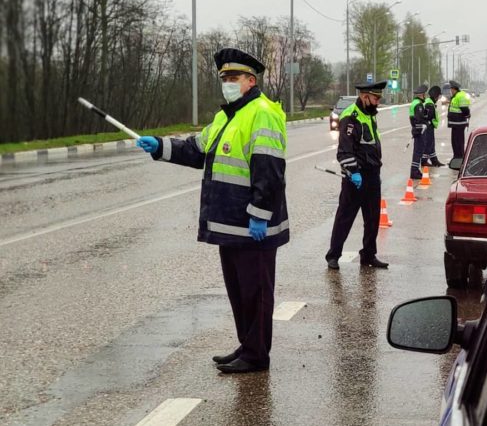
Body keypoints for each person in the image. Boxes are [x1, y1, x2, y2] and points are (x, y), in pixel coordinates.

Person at [135, 48, 289, 374]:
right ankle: (248, 346)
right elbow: (196, 150)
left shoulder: (262, 112)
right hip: (230, 224)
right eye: (224, 78)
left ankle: (257, 355)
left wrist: (259, 215)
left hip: (252, 224)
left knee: (256, 292)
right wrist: (160, 146)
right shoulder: (226, 116)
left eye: (234, 78)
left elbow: (270, 170)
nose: (228, 83)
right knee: (239, 292)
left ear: (251, 80)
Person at [325, 81, 390, 270]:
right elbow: (344, 151)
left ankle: (369, 255)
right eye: (376, 98)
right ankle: (333, 255)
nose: (378, 102)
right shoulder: (350, 117)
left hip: (372, 175)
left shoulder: (370, 115)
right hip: (355, 178)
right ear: (364, 96)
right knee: (345, 217)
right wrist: (353, 173)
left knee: (372, 219)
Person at [447, 80, 471, 162]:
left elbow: (465, 109)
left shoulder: (460, 96)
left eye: (451, 90)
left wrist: (467, 115)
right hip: (455, 124)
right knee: (455, 142)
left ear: (455, 89)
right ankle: (456, 157)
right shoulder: (456, 96)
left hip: (459, 124)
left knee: (458, 142)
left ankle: (459, 158)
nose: (451, 91)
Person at [422, 85, 444, 167]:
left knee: (431, 144)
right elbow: (429, 116)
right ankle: (424, 161)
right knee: (428, 143)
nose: (438, 98)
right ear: (435, 96)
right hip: (428, 126)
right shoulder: (429, 104)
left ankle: (434, 160)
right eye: (438, 96)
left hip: (430, 126)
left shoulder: (430, 102)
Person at [409, 84, 428, 179]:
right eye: (424, 95)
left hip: (416, 131)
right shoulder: (418, 105)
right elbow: (419, 119)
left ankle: (415, 170)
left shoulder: (414, 103)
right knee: (418, 152)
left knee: (417, 151)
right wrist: (424, 124)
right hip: (419, 131)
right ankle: (414, 172)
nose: (425, 96)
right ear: (421, 95)